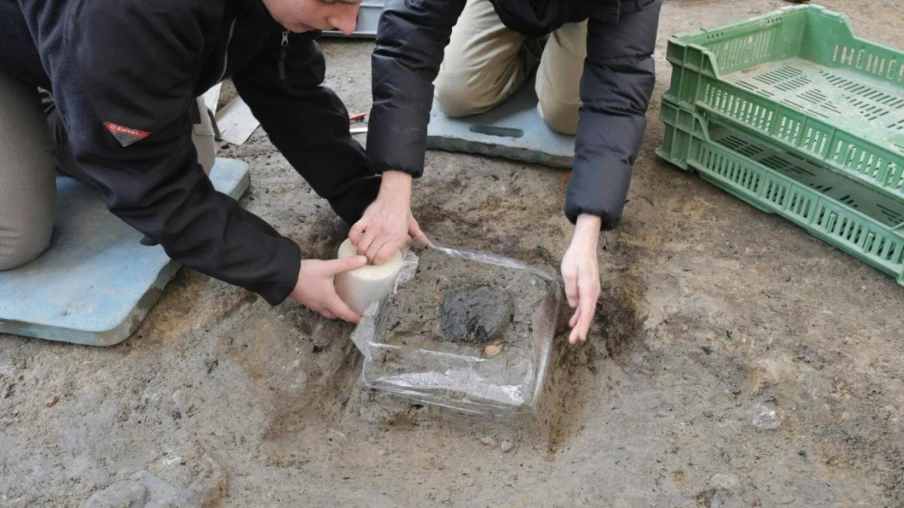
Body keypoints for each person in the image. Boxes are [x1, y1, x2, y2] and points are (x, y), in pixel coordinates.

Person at [0, 0, 424, 324]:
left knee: (192, 159)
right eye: (331, 1)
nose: (348, 25)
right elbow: (151, 185)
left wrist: (365, 195)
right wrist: (283, 270)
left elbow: (289, 93)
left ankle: (77, 94)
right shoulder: (133, 14)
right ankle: (73, 100)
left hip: (93, 46)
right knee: (17, 238)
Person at [363, 0, 663, 343]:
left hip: (587, 11)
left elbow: (619, 85)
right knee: (456, 93)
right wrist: (392, 192)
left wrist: (587, 231)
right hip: (506, 5)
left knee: (565, 114)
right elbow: (410, 33)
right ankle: (530, 50)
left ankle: (561, 52)